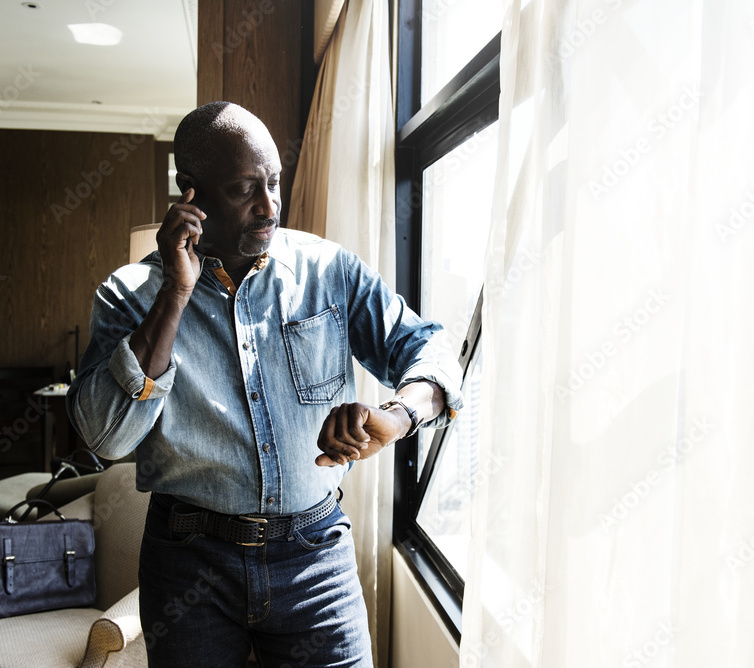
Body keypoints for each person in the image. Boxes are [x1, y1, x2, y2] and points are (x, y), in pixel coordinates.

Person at [67, 101, 463, 667]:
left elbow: (430, 349)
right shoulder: (130, 295)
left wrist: (396, 417)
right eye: (243, 188)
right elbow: (105, 437)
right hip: (188, 564)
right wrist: (174, 296)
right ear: (192, 194)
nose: (268, 205)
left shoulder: (330, 272)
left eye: (274, 182)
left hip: (315, 557)